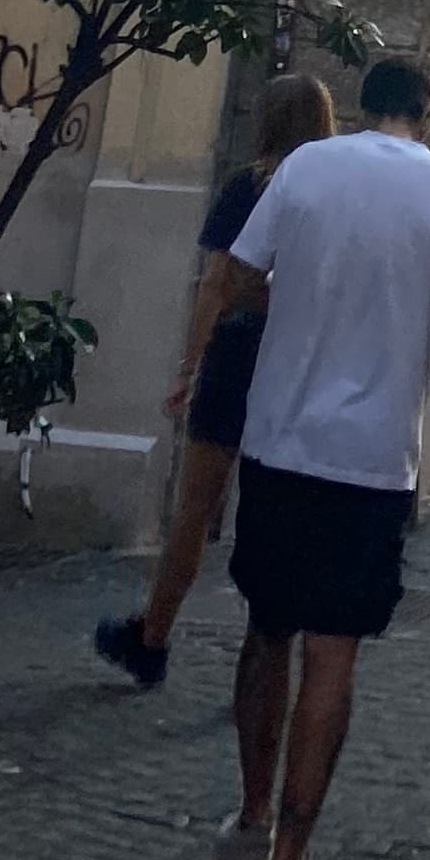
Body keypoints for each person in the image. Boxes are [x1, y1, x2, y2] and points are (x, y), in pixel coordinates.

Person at [213, 58, 430, 860]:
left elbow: (239, 277)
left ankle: (252, 826)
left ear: (365, 106)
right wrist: (410, 314)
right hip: (371, 460)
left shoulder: (305, 167)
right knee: (332, 660)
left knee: (267, 631)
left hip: (279, 438)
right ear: (428, 112)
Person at [96, 70, 335, 690]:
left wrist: (188, 366)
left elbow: (218, 283)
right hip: (303, 356)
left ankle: (153, 636)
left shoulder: (249, 187)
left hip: (239, 353)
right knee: (278, 508)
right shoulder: (334, 193)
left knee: (197, 505)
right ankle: (266, 657)